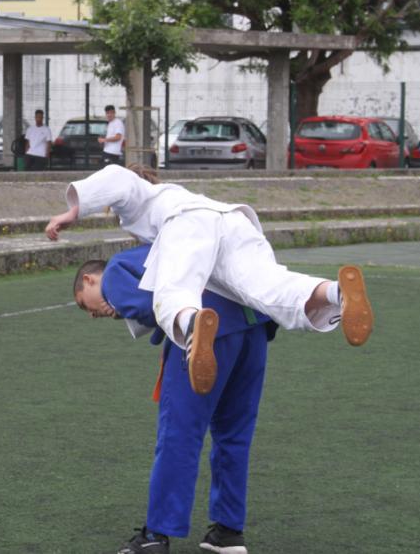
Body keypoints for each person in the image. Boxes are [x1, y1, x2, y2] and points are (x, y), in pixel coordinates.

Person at [47, 164, 373, 395]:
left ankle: (192, 325)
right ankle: (337, 293)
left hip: (190, 223)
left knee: (171, 294)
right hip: (233, 220)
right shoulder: (174, 194)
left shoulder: (143, 199)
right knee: (269, 288)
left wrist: (74, 209)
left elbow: (118, 176)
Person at [74, 245, 275, 554]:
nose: (91, 314)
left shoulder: (116, 270)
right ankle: (228, 532)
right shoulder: (208, 233)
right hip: (254, 325)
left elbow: (152, 306)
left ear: (89, 280)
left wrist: (127, 309)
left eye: (84, 305)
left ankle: (156, 535)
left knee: (179, 436)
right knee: (234, 435)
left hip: (205, 330)